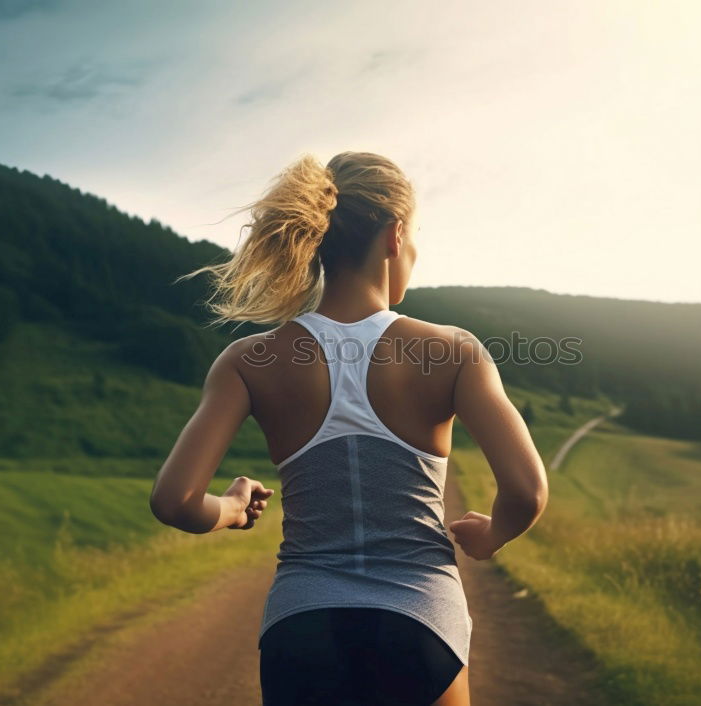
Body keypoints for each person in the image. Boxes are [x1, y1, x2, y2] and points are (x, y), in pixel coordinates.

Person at [149, 151, 548, 705]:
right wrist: (493, 534)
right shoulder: (454, 351)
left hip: (301, 627)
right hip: (420, 623)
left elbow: (174, 501)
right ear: (395, 234)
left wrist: (233, 508)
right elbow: (527, 491)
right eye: (414, 239)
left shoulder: (248, 360)